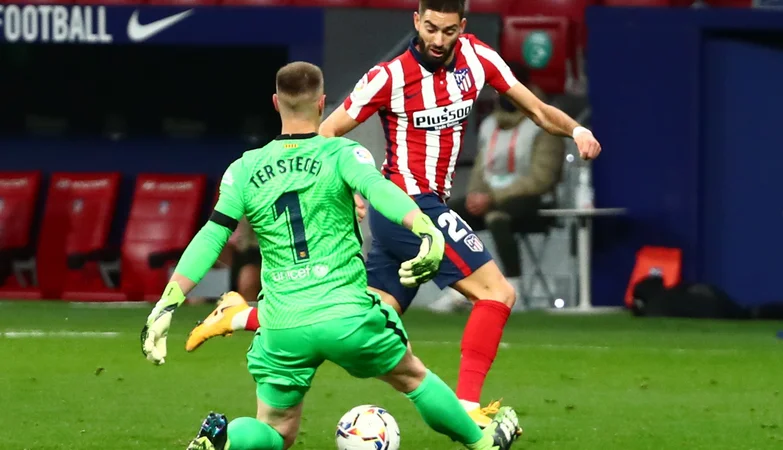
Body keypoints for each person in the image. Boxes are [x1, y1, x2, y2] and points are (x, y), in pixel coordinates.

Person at [186, 0, 602, 427]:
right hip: (406, 206)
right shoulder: (389, 77)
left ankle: (239, 314)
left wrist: (576, 129)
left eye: (448, 31)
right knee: (497, 293)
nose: (438, 40)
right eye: (430, 29)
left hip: (425, 207)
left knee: (364, 317)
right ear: (416, 22)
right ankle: (468, 409)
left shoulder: (480, 58)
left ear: (463, 26)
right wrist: (346, 186)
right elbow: (324, 132)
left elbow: (536, 109)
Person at [140, 62, 521, 450]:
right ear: (323, 104)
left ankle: (223, 440)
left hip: (282, 326)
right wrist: (423, 226)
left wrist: (168, 301)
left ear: (275, 103)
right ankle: (481, 441)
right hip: (346, 316)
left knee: (276, 430)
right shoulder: (343, 152)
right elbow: (379, 189)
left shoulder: (243, 169)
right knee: (412, 377)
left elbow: (212, 235)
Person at [430, 76, 566, 313]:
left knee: (497, 218)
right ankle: (460, 290)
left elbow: (542, 178)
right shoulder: (489, 125)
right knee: (447, 217)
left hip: (532, 201)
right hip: (489, 199)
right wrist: (475, 196)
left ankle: (512, 291)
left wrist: (493, 197)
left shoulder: (542, 125)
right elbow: (481, 169)